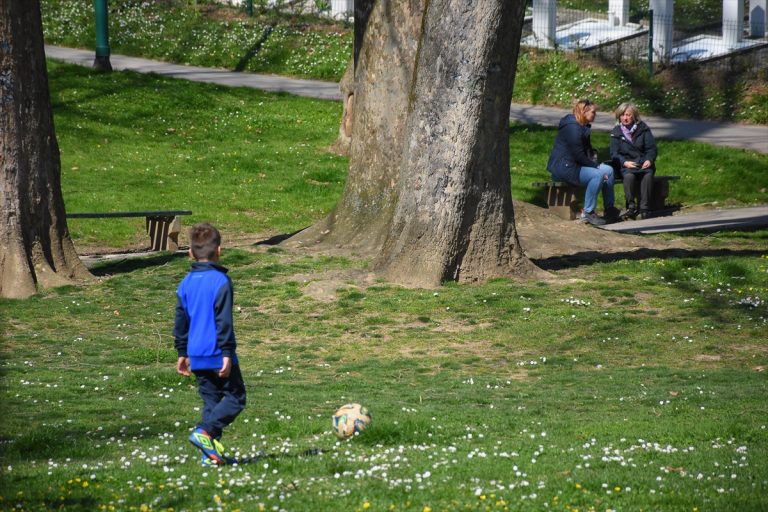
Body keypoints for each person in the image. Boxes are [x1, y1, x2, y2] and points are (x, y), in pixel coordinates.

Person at [174, 223, 246, 466]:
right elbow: (223, 320)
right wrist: (227, 352)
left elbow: (180, 320)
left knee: (212, 403)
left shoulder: (185, 283)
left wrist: (182, 352)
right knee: (236, 398)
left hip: (197, 354)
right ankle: (203, 433)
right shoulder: (221, 281)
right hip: (218, 353)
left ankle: (209, 456)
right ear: (220, 251)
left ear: (190, 253)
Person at [547, 99, 618, 226]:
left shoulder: (582, 126)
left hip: (574, 165)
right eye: (593, 112)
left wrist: (596, 163)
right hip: (564, 167)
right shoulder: (572, 128)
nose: (595, 114)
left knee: (609, 170)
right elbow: (578, 155)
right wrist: (596, 167)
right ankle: (588, 212)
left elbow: (586, 152)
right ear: (584, 112)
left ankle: (609, 208)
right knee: (597, 175)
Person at [610, 102, 658, 220]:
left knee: (647, 175)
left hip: (643, 164)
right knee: (629, 177)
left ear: (634, 116)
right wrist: (624, 162)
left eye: (628, 115)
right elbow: (614, 153)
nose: (625, 118)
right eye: (622, 115)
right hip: (627, 165)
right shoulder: (616, 132)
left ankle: (644, 209)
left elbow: (651, 148)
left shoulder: (643, 129)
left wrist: (649, 160)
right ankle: (631, 208)